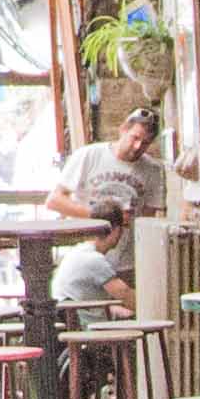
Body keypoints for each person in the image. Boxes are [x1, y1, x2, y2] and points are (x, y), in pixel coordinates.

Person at [50, 107, 168, 310]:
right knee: (91, 316)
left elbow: (148, 220)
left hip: (126, 260)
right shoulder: (89, 155)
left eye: (145, 143)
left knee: (129, 317)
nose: (138, 146)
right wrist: (103, 218)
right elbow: (54, 200)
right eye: (135, 138)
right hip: (88, 253)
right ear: (123, 129)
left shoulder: (153, 170)